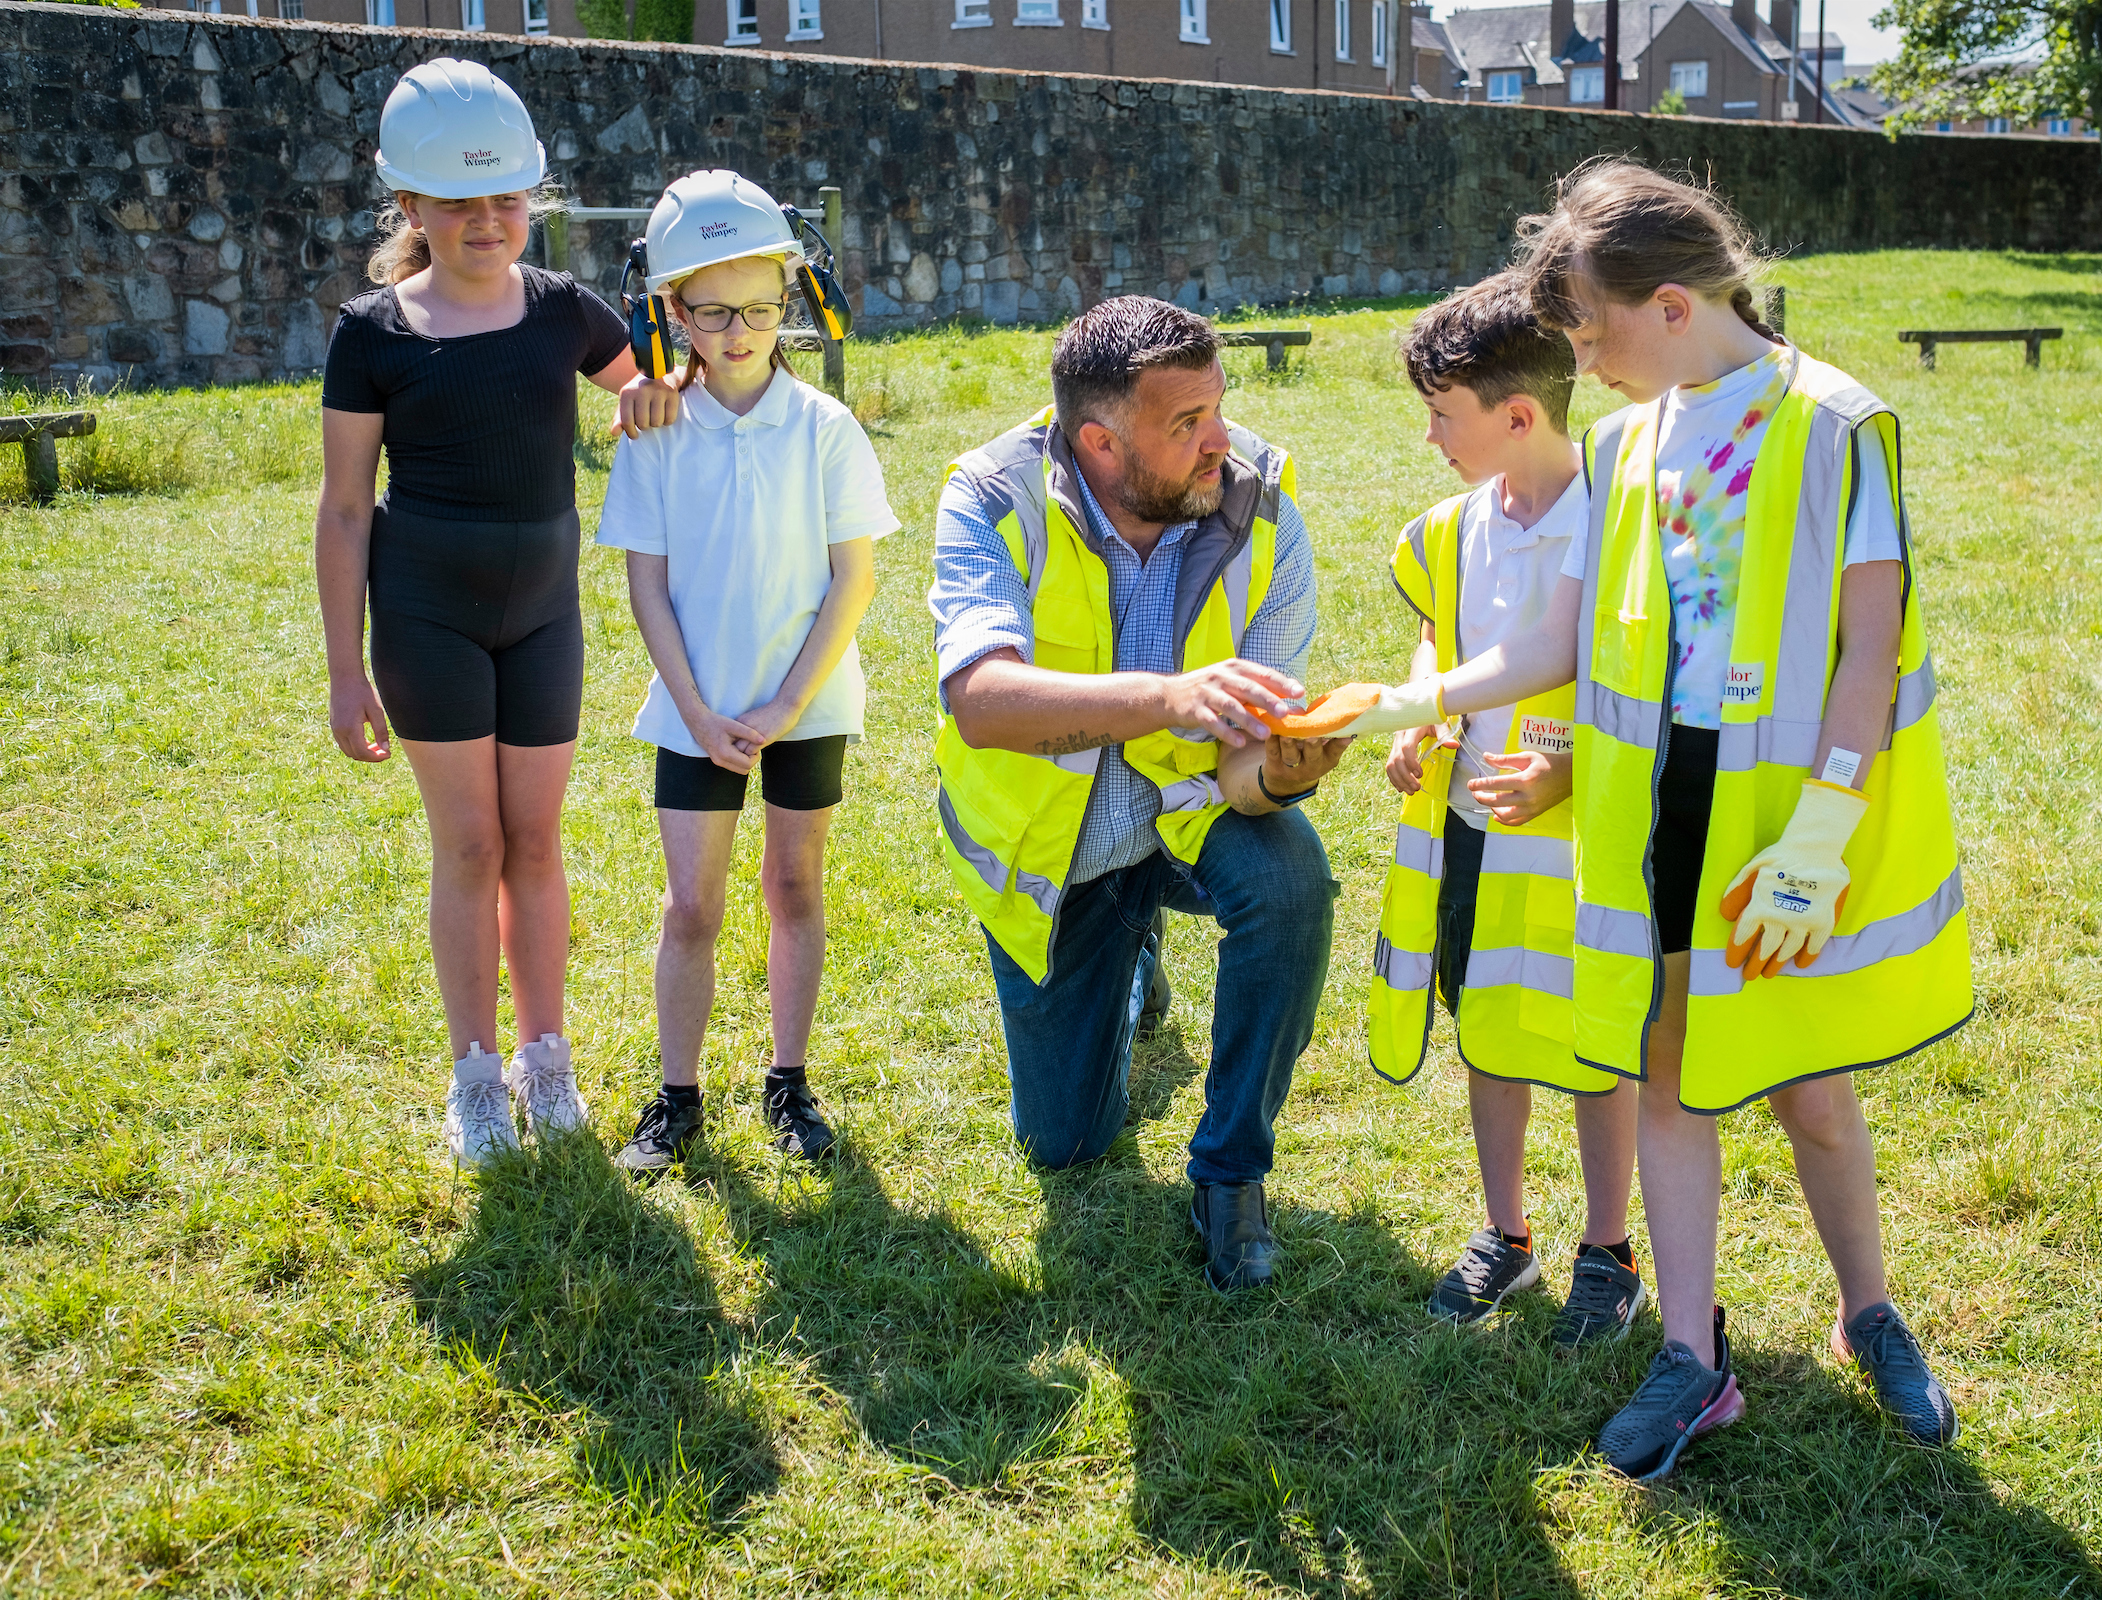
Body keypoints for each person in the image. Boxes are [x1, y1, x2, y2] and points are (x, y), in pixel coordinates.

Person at [1303, 161, 1974, 1477]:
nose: (1583, 364)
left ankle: (1869, 1311)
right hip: (1655, 805)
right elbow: (1561, 638)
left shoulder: (1840, 424)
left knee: (1808, 1084)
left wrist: (1822, 836)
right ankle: (1689, 1355)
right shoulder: (1625, 446)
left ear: (1672, 306)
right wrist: (1403, 700)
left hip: (1785, 814)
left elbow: (1867, 650)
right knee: (1668, 1066)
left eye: (1595, 336)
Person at [927, 296, 1347, 1293]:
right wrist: (1167, 696)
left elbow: (1246, 770)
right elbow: (981, 702)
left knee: (1291, 878)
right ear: (1100, 442)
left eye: (1219, 410)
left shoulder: (1259, 497)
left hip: (1194, 808)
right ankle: (1130, 960)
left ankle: (1231, 1171)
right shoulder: (990, 495)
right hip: (1055, 855)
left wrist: (1280, 772)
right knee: (1065, 1144)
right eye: (1186, 425)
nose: (1221, 445)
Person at [315, 59, 679, 1169]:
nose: (487, 221)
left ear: (531, 199)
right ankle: (476, 1076)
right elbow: (341, 512)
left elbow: (649, 387)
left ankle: (545, 1055)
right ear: (411, 208)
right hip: (427, 616)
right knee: (468, 843)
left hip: (542, 616)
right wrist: (344, 670)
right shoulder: (372, 332)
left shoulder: (565, 309)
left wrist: (652, 392)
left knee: (535, 839)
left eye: (507, 199)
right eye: (460, 203)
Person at [593, 171, 897, 1173]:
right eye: (714, 311)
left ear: (792, 305)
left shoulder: (827, 429)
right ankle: (677, 1100)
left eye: (762, 310)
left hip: (804, 707)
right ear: (671, 310)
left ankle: (788, 1080)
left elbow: (853, 581)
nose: (740, 333)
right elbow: (648, 587)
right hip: (696, 711)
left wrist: (779, 705)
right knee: (692, 906)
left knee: (795, 886)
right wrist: (697, 709)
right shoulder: (654, 428)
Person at [1373, 278, 1643, 1341]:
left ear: (1519, 415)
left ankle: (1609, 1250)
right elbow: (1445, 632)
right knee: (1485, 1025)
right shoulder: (1452, 528)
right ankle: (1507, 1235)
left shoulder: (1614, 521)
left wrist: (1566, 776)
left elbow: (1586, 663)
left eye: (1446, 414)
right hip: (1477, 833)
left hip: (1583, 845)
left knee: (1591, 1041)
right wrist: (1423, 717)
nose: (1431, 436)